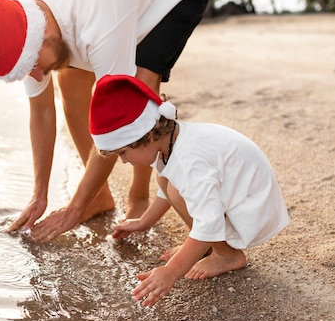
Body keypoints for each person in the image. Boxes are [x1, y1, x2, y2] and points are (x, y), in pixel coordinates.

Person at [0, 0, 218, 242]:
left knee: (139, 91)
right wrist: (41, 194)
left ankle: (138, 197)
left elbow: (123, 113)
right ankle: (98, 196)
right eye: (25, 71)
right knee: (68, 82)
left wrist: (73, 209)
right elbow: (41, 111)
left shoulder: (99, 16)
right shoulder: (19, 24)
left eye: (33, 65)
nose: (35, 76)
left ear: (44, 35)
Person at [89, 74, 290, 308]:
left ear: (146, 135)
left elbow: (208, 221)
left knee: (177, 190)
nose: (123, 161)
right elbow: (165, 191)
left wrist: (171, 272)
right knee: (168, 183)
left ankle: (227, 255)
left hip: (253, 208)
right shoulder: (172, 141)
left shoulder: (189, 162)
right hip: (239, 197)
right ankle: (204, 246)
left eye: (123, 152)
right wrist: (144, 221)